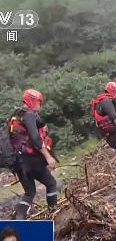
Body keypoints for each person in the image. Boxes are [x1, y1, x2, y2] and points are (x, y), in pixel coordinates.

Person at [7, 89, 57, 220]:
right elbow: (35, 139)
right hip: (31, 161)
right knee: (51, 183)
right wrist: (48, 157)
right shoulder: (29, 116)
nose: (40, 105)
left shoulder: (16, 115)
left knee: (30, 192)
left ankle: (19, 217)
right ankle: (54, 214)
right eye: (38, 102)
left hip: (18, 161)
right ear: (32, 101)